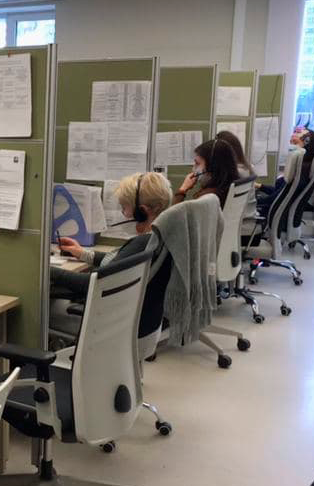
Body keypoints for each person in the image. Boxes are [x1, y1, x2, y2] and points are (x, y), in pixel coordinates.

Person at [52, 172, 173, 337]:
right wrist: (82, 253)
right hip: (144, 323)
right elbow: (119, 262)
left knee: (49, 308)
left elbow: (91, 283)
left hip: (114, 327)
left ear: (142, 212)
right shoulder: (159, 237)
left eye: (124, 207)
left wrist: (47, 270)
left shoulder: (142, 244)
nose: (123, 213)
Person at [257, 129, 314, 218]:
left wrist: (253, 202)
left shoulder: (299, 173)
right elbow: (280, 192)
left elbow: (276, 198)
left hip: (271, 213)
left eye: (295, 143)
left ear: (307, 146)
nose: (292, 146)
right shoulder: (303, 169)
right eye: (291, 142)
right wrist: (259, 186)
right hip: (276, 212)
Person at [173, 138, 239, 205]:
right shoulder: (230, 187)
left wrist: (183, 189)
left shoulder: (207, 198)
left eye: (197, 163)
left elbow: (173, 211)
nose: (193, 168)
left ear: (212, 167)